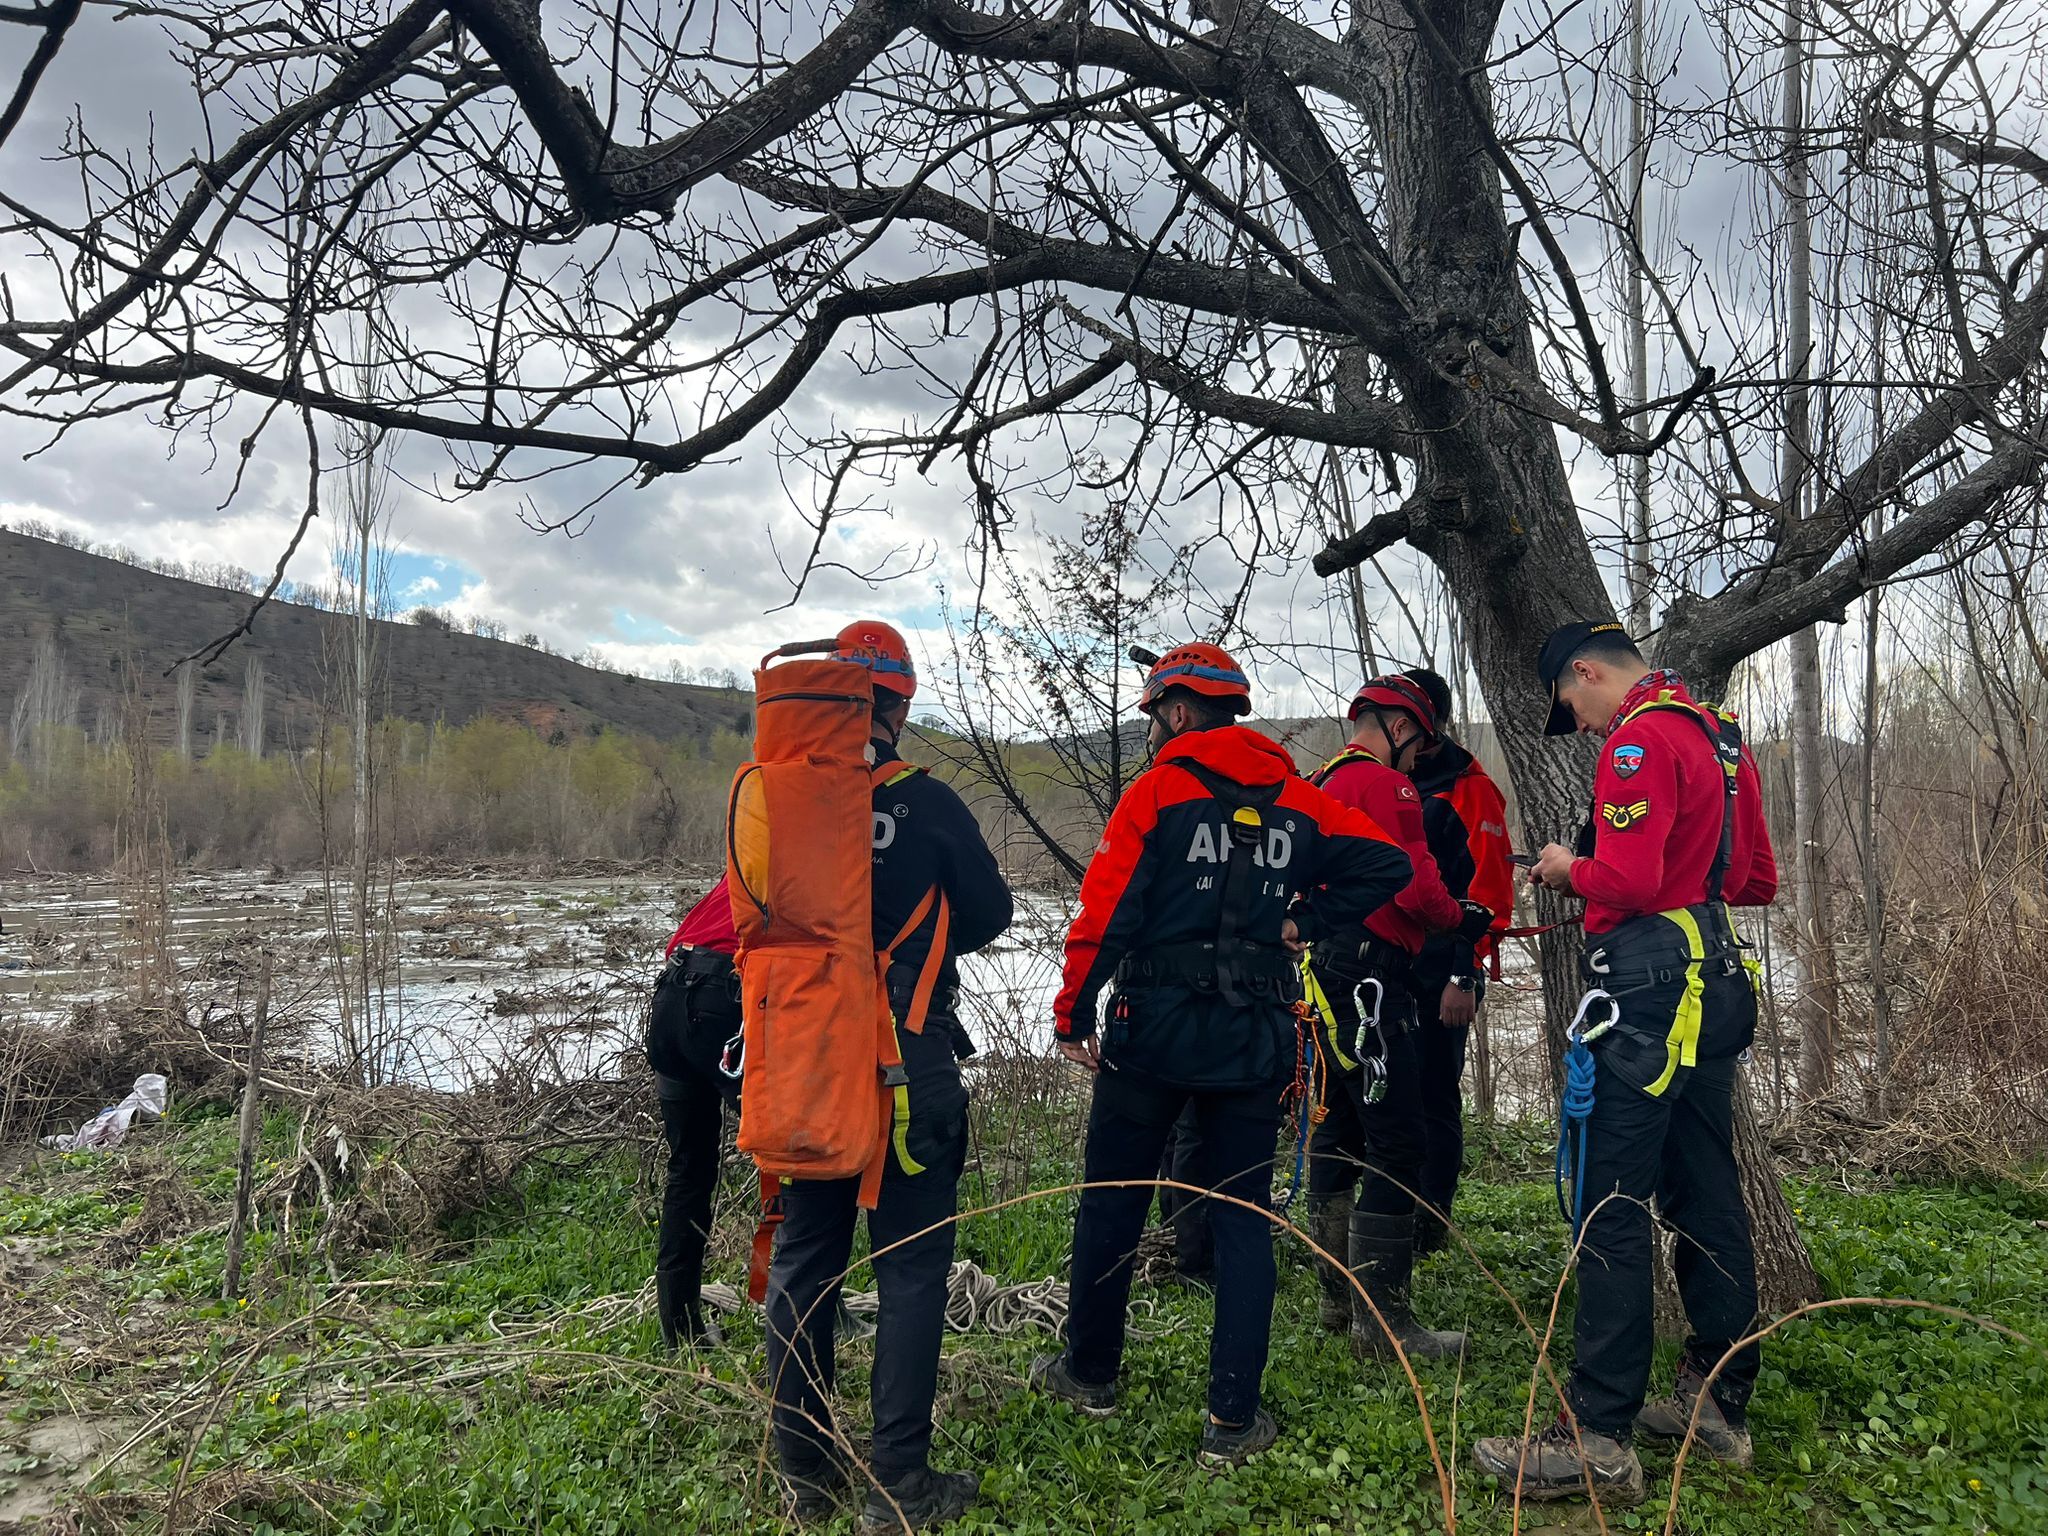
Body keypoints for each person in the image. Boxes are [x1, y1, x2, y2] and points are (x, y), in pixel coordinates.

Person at [1029, 642, 1413, 1466]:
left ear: (1176, 712)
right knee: (1245, 1219)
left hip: (1151, 1033)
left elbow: (1107, 913)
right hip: (1255, 1036)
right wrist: (1303, 922)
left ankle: (1089, 1375)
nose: (1151, 734)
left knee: (1113, 1203)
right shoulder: (1300, 799)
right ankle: (1232, 1422)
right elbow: (1388, 863)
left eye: (1153, 719)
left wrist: (1071, 1014)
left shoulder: (1157, 791)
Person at [1473, 622, 1778, 1505]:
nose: (1591, 727)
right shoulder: (1721, 740)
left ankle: (1597, 1439)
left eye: (1578, 707)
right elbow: (1754, 878)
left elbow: (1633, 881)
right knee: (1705, 1195)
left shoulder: (1643, 739)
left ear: (1586, 670)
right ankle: (1719, 1404)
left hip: (1646, 998)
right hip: (1711, 984)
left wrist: (1571, 868)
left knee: (1610, 1204)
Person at [760, 621, 1014, 1531]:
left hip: (801, 1062)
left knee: (804, 1263)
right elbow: (992, 912)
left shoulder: (780, 800)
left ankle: (804, 1473)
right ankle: (897, 1485)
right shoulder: (928, 804)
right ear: (897, 707)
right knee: (910, 1273)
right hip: (908, 1062)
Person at [1302, 674, 1494, 1362]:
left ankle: (1336, 1299)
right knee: (1398, 1139)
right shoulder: (1389, 787)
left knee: (1340, 1125)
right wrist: (1461, 921)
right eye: (1419, 743)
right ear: (1399, 727)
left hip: (1326, 972)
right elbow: (1414, 880)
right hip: (1371, 977)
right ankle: (1384, 1330)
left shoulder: (1319, 781)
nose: (1420, 759)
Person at [1400, 668, 1514, 1254]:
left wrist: (1464, 974)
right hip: (1382, 970)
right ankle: (1389, 1207)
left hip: (1444, 969)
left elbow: (1492, 895)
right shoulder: (1374, 778)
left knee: (1435, 1095)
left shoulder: (1469, 788)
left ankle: (1430, 1220)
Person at [645, 875, 743, 1349]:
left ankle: (679, 1332)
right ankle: (817, 1313)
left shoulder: (742, 857)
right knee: (798, 1164)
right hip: (727, 998)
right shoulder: (808, 851)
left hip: (671, 995)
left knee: (688, 1169)